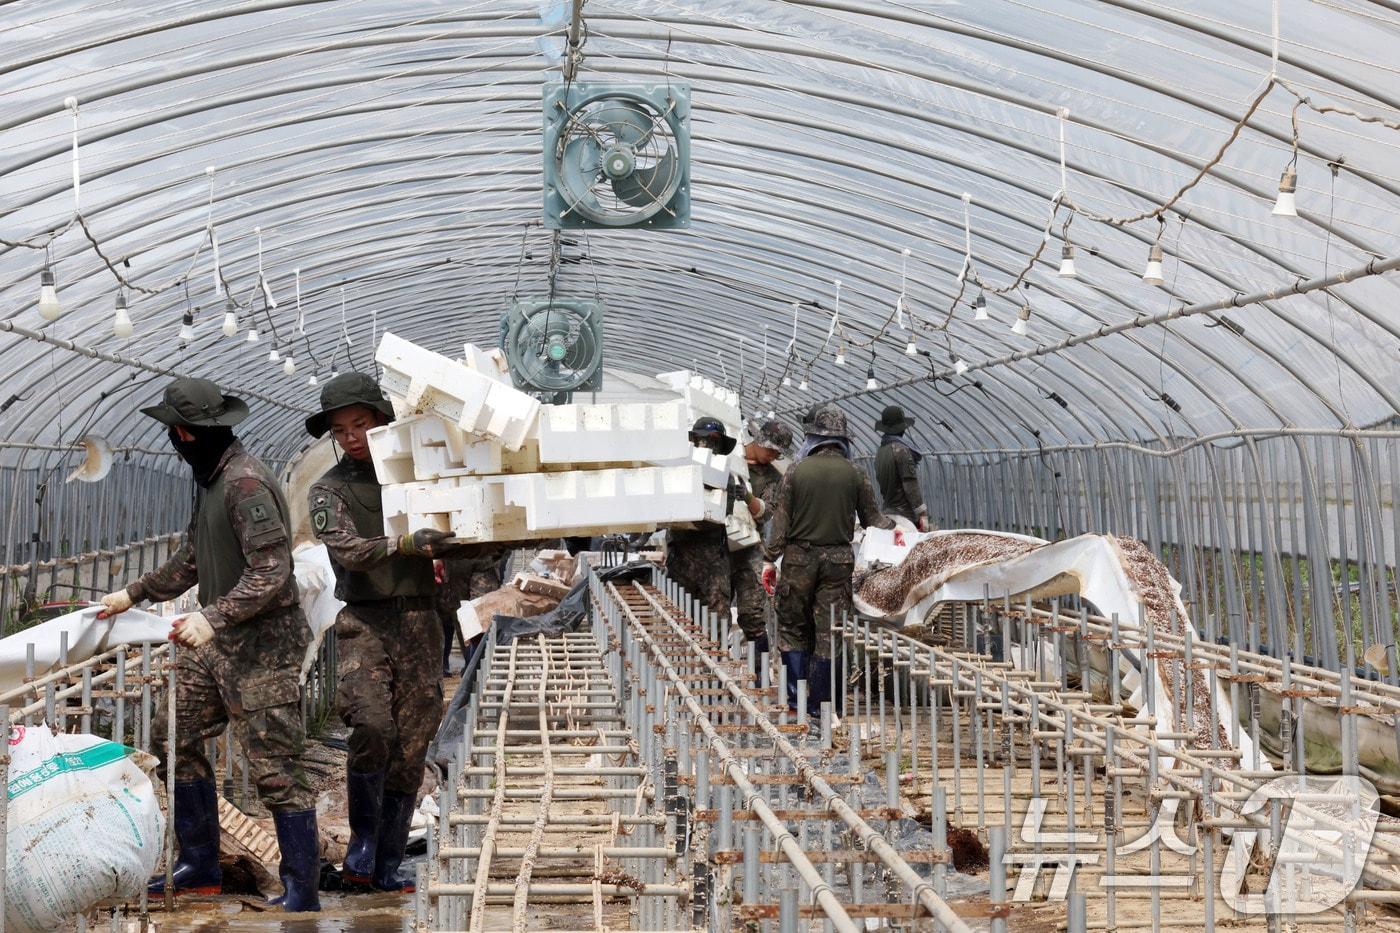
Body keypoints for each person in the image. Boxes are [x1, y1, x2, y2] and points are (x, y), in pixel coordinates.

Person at [98, 377, 321, 911]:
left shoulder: (245, 485)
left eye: (176, 434)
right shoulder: (213, 481)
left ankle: (301, 890)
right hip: (222, 644)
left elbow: (272, 571)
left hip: (262, 646)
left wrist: (213, 617)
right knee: (173, 732)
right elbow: (194, 557)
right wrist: (135, 593)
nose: (175, 443)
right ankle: (200, 863)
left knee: (274, 767)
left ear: (186, 434)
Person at [303, 373, 483, 893]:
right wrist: (406, 545)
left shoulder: (419, 480)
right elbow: (349, 552)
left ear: (384, 421)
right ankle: (362, 844)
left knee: (411, 743)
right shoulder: (330, 490)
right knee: (372, 727)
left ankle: (385, 860)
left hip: (420, 623)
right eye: (341, 429)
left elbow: (467, 542)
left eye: (361, 424)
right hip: (365, 621)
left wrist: (468, 534)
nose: (353, 436)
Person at [762, 404, 895, 717]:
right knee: (830, 632)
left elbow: (780, 526)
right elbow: (873, 519)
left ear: (814, 439)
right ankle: (826, 706)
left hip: (798, 559)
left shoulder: (796, 470)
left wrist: (770, 560)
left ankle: (796, 704)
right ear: (843, 440)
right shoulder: (856, 473)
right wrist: (900, 530)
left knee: (794, 628)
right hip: (838, 560)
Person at [667, 417, 760, 624]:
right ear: (695, 440)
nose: (710, 446)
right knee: (678, 616)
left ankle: (715, 654)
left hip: (713, 559)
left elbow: (722, 513)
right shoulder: (678, 469)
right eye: (706, 440)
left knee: (716, 618)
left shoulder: (724, 475)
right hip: (682, 555)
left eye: (715, 441)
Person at [729, 419, 794, 656]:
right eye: (770, 450)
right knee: (714, 612)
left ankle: (760, 672)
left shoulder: (773, 478)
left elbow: (768, 512)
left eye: (777, 454)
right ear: (757, 441)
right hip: (717, 546)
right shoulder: (729, 457)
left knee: (752, 613)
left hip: (748, 547)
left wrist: (747, 498)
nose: (772, 456)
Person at [873, 405, 930, 531]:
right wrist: (922, 513)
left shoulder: (880, 453)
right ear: (902, 428)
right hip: (904, 517)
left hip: (888, 514)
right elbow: (910, 485)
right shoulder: (901, 451)